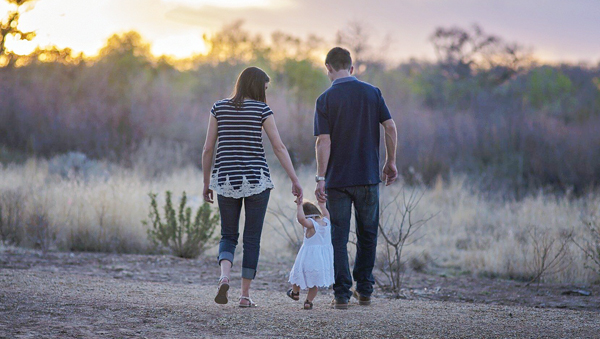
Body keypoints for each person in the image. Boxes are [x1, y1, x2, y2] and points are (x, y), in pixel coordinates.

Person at [202, 66, 303, 307]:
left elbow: (207, 148)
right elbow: (279, 147)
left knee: (228, 234)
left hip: (225, 180)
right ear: (257, 86)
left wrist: (207, 183)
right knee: (252, 239)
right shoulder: (262, 109)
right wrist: (295, 179)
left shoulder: (218, 108)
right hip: (257, 180)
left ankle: (224, 276)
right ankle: (245, 296)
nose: (265, 92)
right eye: (265, 88)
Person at [313, 47, 398, 309]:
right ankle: (365, 290)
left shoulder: (325, 99)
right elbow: (390, 127)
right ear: (352, 67)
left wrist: (320, 177)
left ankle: (341, 294)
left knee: (338, 237)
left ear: (328, 68)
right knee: (368, 234)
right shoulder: (372, 93)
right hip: (368, 177)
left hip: (338, 181)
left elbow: (323, 142)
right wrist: (390, 161)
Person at [286, 198, 334, 310]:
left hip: (308, 257)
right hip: (322, 259)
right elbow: (326, 213)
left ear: (308, 216)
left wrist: (299, 206)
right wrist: (322, 205)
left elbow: (301, 219)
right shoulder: (326, 222)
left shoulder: (311, 225)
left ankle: (295, 293)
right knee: (314, 282)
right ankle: (308, 302)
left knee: (297, 275)